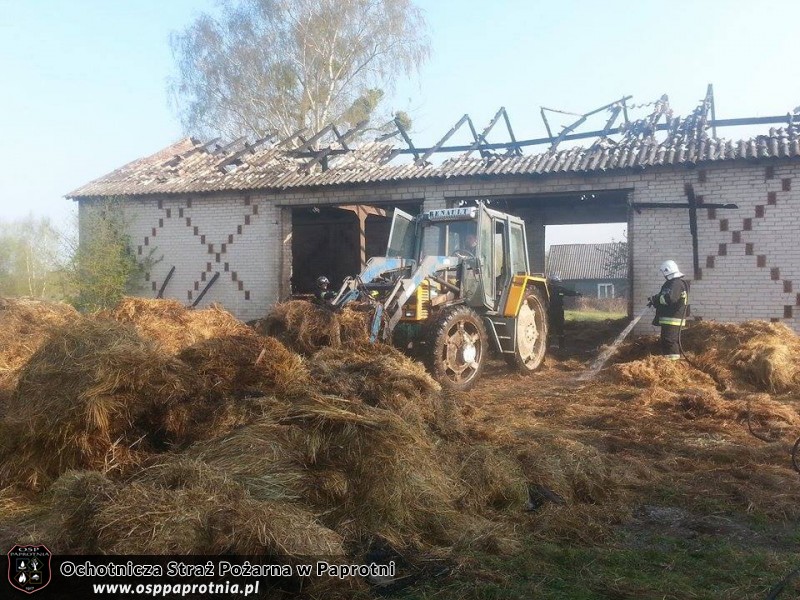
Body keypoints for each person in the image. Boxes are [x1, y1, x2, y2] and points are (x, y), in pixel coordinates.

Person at [648, 260, 690, 360]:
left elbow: (669, 299)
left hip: (673, 318)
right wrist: (655, 299)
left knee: (670, 341)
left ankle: (672, 363)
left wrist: (657, 299)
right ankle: (669, 361)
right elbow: (664, 296)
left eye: (664, 272)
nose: (664, 275)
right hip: (669, 318)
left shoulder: (676, 283)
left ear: (667, 271)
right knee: (666, 341)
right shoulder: (671, 283)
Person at [547, 274, 580, 349]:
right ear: (553, 282)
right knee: (553, 328)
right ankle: (553, 346)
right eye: (557, 282)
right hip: (553, 310)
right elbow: (568, 292)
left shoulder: (558, 289)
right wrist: (577, 293)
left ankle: (557, 346)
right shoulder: (549, 289)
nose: (557, 284)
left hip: (555, 310)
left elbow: (568, 292)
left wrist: (576, 293)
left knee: (557, 328)